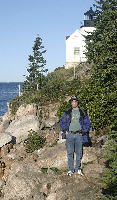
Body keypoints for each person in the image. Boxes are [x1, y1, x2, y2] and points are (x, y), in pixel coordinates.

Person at [60, 96, 91, 176]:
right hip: (69, 134)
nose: (74, 103)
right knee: (70, 153)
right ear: (71, 103)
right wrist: (64, 131)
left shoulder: (82, 112)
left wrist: (84, 131)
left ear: (77, 102)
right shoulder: (67, 112)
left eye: (75, 101)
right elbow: (62, 122)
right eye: (72, 101)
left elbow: (87, 123)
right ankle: (70, 169)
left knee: (79, 153)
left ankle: (78, 169)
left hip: (79, 134)